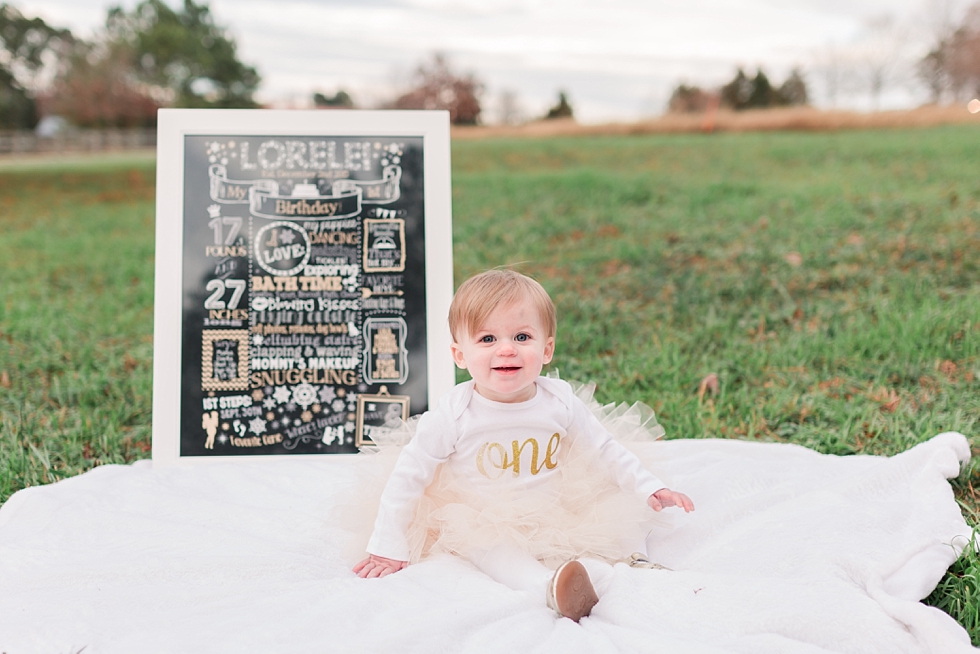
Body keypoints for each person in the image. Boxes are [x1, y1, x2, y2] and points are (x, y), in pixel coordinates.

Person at [353, 269, 694, 622]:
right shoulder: (455, 413)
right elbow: (408, 476)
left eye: (521, 336)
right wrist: (387, 546)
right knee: (496, 552)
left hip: (554, 504)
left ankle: (622, 566)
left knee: (617, 514)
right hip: (482, 514)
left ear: (546, 349)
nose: (506, 349)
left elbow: (605, 448)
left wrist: (650, 486)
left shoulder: (558, 400)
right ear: (459, 354)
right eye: (486, 339)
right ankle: (548, 587)